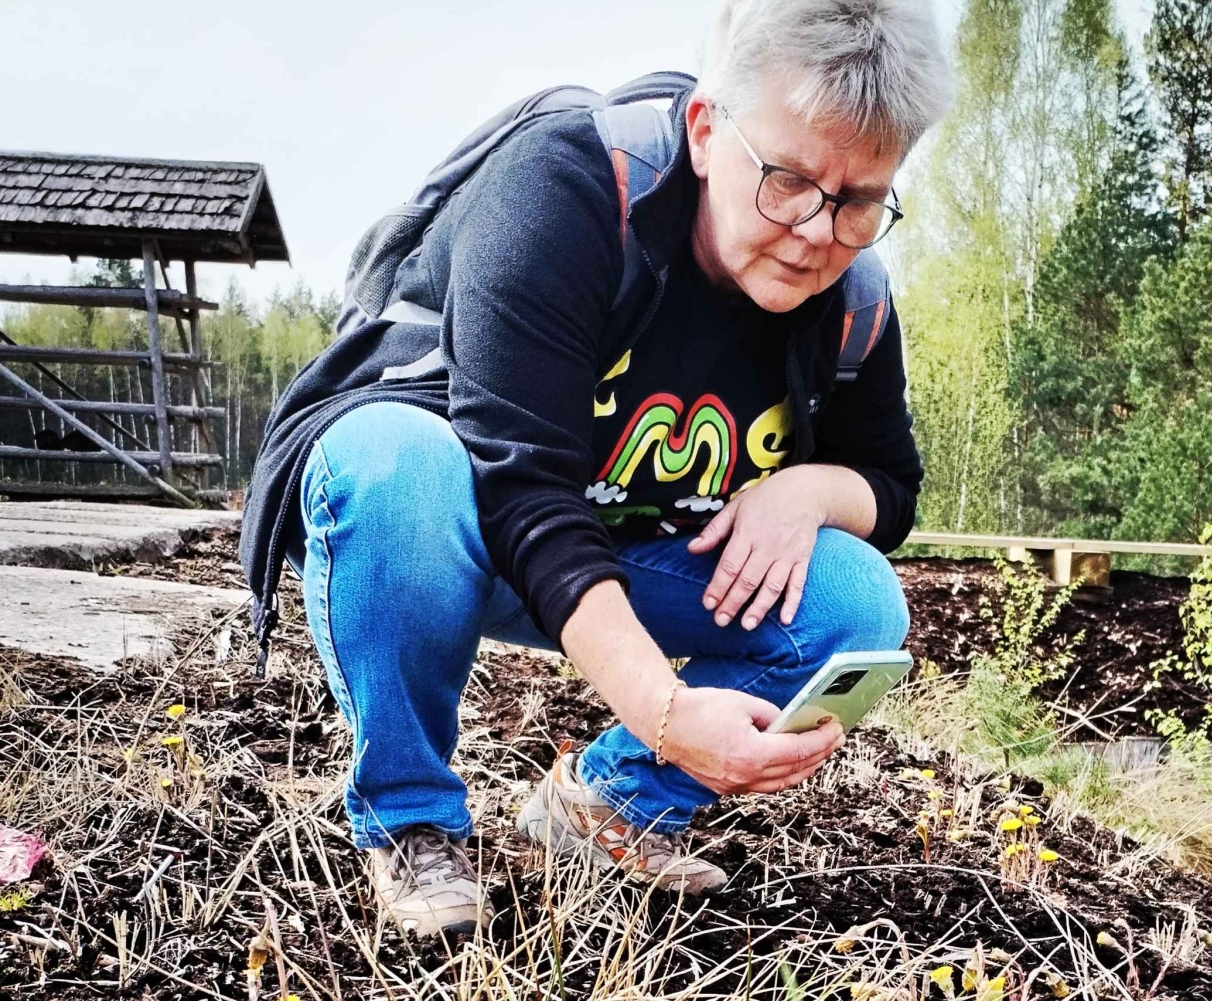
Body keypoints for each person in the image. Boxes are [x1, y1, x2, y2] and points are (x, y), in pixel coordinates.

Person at [238, 0, 952, 938]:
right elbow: (524, 488)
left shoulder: (852, 297)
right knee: (395, 467)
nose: (817, 230)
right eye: (786, 180)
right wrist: (664, 708)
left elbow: (890, 486)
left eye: (859, 199)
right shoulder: (570, 187)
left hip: (623, 548)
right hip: (452, 524)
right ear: (707, 132)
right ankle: (410, 818)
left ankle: (605, 803)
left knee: (856, 602)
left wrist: (804, 491)